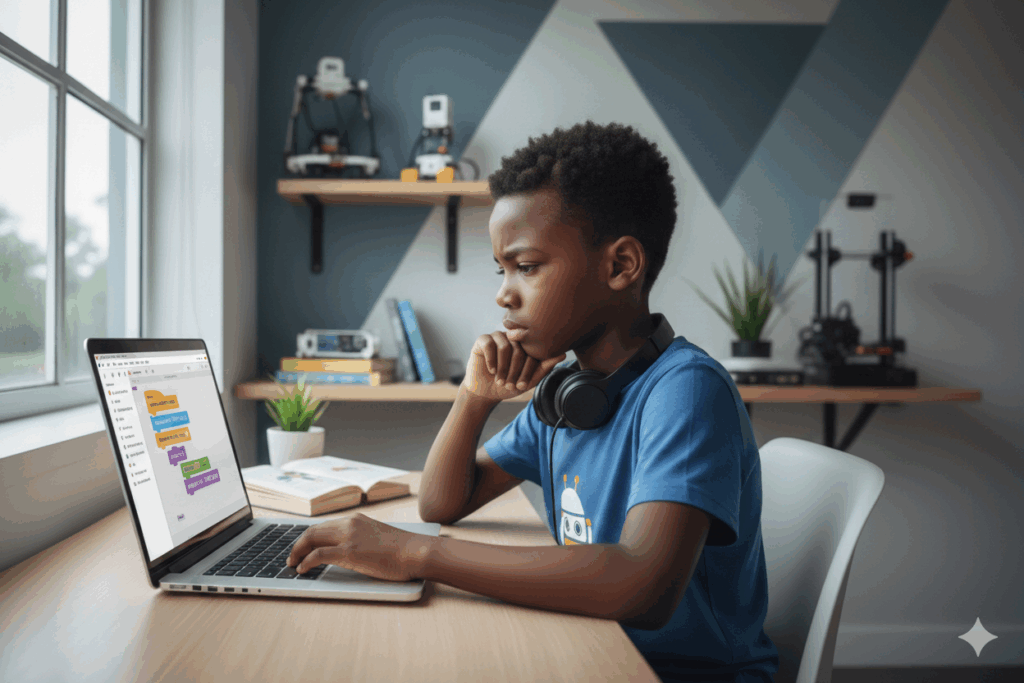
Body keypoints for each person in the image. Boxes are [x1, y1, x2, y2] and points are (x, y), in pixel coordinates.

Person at [287, 120, 779, 682]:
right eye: (502, 270)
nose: (503, 292)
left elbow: (642, 586)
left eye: (527, 266)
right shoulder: (569, 399)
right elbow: (443, 503)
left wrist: (415, 555)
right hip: (592, 652)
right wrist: (475, 397)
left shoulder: (686, 392)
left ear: (620, 266)